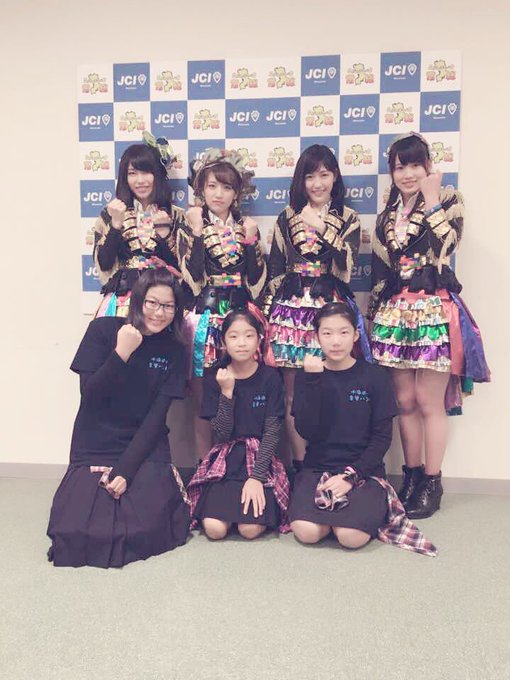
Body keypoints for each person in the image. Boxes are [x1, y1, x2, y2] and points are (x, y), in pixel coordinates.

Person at [368, 132, 490, 519]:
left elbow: (447, 246)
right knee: (404, 401)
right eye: (399, 167)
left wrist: (433, 199)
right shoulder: (387, 216)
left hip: (433, 310)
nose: (407, 174)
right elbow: (383, 269)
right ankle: (412, 475)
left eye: (414, 165)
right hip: (395, 312)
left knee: (427, 401)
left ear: (428, 167)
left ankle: (433, 482)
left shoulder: (449, 200)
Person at [47, 269, 191, 568]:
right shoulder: (102, 330)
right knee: (77, 532)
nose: (159, 313)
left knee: (144, 529)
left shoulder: (175, 349)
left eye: (168, 306)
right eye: (152, 303)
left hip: (146, 442)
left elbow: (156, 417)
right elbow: (91, 397)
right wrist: (121, 353)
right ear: (138, 301)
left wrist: (125, 470)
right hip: (96, 438)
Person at [262, 144, 371, 470]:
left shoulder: (348, 218)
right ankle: (301, 466)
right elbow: (275, 269)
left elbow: (347, 266)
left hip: (330, 310)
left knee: (333, 387)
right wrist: (270, 313)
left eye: (324, 175)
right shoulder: (286, 216)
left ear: (335, 177)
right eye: (310, 176)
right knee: (292, 393)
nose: (317, 183)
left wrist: (323, 228)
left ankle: (331, 462)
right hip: (291, 312)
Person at [177, 148, 267, 458]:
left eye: (226, 187)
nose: (218, 194)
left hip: (240, 318)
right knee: (204, 401)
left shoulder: (247, 226)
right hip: (205, 317)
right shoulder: (190, 225)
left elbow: (256, 280)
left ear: (237, 192)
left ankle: (239, 463)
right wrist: (197, 233)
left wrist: (252, 242)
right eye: (212, 186)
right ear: (200, 189)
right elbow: (192, 278)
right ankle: (206, 467)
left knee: (242, 392)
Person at [289, 303, 398, 550]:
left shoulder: (375, 376)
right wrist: (313, 381)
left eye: (344, 332)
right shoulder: (307, 374)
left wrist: (352, 476)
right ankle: (331, 517)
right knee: (307, 532)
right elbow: (306, 430)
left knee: (350, 537)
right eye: (327, 333)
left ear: (356, 335)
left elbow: (382, 438)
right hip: (317, 468)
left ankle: (350, 514)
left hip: (364, 471)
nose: (336, 341)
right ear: (317, 336)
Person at [187, 309, 290, 540]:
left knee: (249, 529)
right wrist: (227, 393)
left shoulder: (271, 377)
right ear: (223, 342)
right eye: (234, 336)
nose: (241, 343)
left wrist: (257, 477)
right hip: (225, 458)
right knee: (214, 529)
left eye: (249, 335)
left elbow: (272, 433)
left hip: (260, 457)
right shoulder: (215, 376)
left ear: (259, 339)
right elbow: (222, 434)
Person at [94, 133, 185, 317]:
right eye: (132, 173)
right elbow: (104, 264)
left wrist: (165, 235)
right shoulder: (111, 213)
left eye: (146, 172)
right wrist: (116, 225)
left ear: (157, 174)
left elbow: (185, 271)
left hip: (162, 301)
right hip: (122, 301)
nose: (140, 181)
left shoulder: (176, 215)